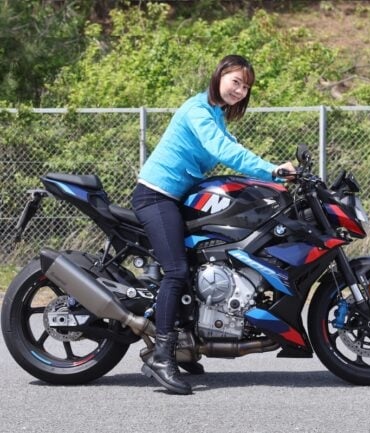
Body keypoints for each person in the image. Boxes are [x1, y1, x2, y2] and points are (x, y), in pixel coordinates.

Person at [131, 54, 295, 394]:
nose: (240, 90)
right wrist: (270, 170)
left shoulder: (216, 114)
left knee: (201, 262)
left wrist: (276, 177)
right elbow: (223, 150)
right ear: (219, 75)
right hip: (156, 196)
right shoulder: (197, 110)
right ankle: (161, 357)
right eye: (236, 81)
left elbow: (234, 146)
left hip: (177, 198)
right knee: (176, 271)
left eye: (246, 87)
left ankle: (185, 345)